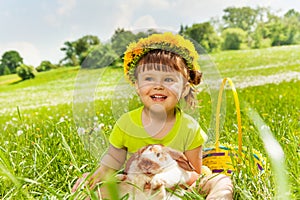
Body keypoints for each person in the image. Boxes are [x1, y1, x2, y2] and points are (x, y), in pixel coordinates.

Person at [72, 32, 233, 199]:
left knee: (221, 181)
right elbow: (112, 161)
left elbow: (194, 175)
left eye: (169, 80)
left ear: (185, 88)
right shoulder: (126, 124)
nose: (158, 86)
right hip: (135, 187)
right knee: (89, 187)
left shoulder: (190, 127)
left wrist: (167, 179)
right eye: (149, 78)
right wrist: (100, 173)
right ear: (136, 85)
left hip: (178, 188)